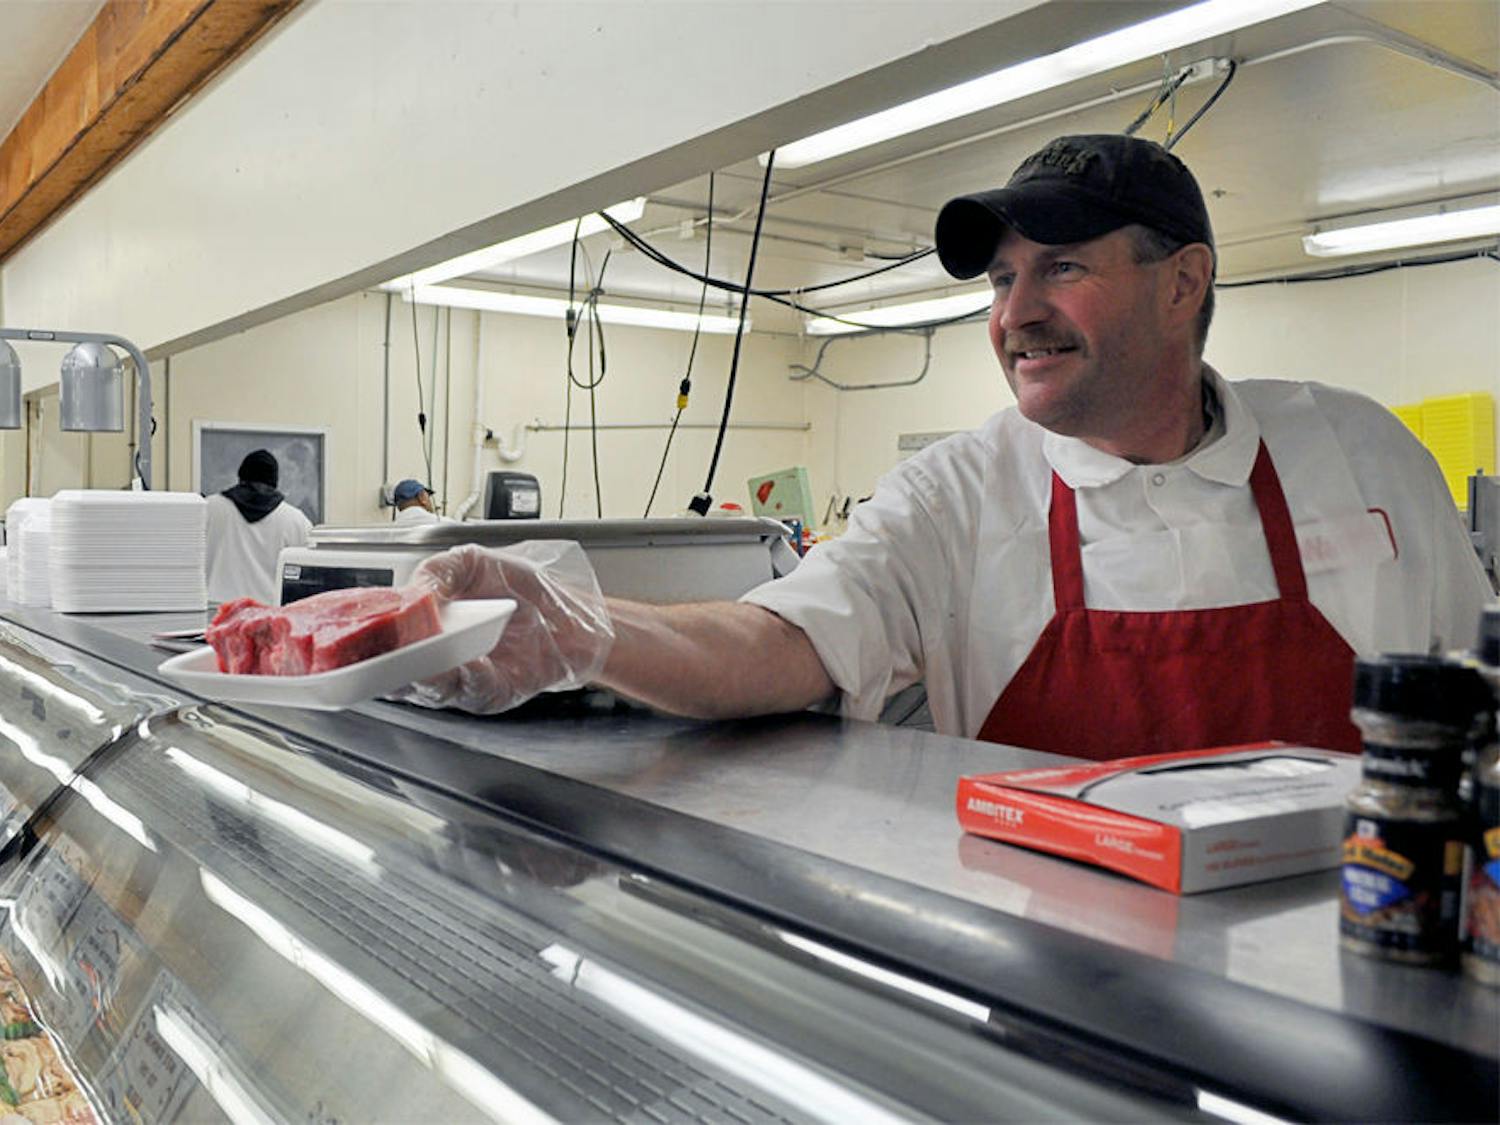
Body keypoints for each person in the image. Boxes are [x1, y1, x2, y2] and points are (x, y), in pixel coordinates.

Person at [396, 134, 1489, 760]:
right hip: (1062, 1005)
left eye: (1060, 267)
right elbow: (775, 639)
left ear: (1184, 282)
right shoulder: (962, 493)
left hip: (1357, 988)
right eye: (1003, 280)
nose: (1017, 312)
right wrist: (578, 629)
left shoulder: (1359, 452)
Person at [204, 449, 313, 604]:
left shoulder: (208, 508)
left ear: (241, 477)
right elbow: (307, 580)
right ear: (275, 482)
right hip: (267, 617)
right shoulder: (297, 521)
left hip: (216, 613)